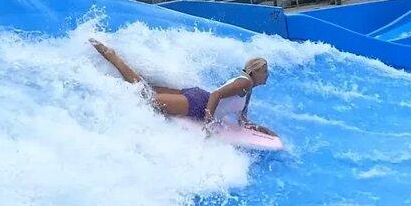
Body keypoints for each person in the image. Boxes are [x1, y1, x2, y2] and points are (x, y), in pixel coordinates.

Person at [89, 38, 276, 136]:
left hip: (197, 96)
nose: (267, 75)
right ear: (254, 73)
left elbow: (242, 120)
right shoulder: (244, 83)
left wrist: (260, 129)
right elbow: (217, 95)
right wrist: (208, 121)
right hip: (197, 104)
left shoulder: (247, 89)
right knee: (145, 95)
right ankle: (112, 57)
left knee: (145, 88)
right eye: (265, 71)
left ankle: (115, 61)